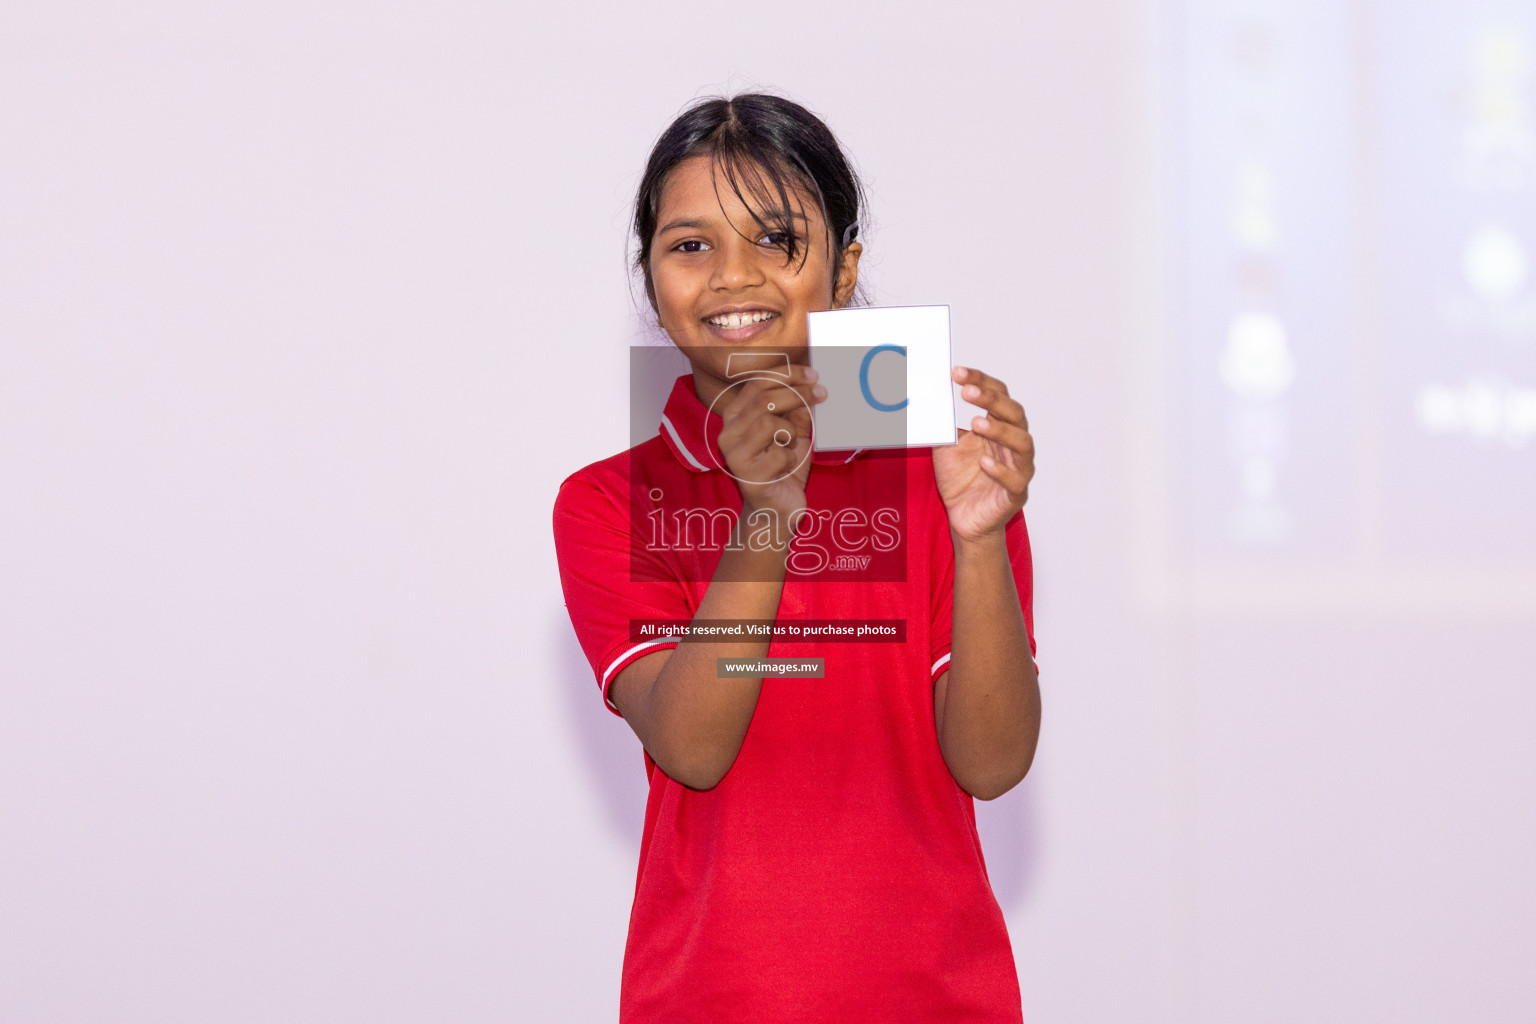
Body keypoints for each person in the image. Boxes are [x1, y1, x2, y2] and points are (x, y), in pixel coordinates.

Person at [553, 93, 1040, 1023]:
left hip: (940, 1001)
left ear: (843, 268)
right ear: (650, 277)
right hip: (708, 1000)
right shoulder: (608, 501)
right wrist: (770, 510)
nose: (733, 279)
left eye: (776, 239)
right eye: (690, 245)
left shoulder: (943, 481)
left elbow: (992, 762)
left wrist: (978, 539)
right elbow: (692, 746)